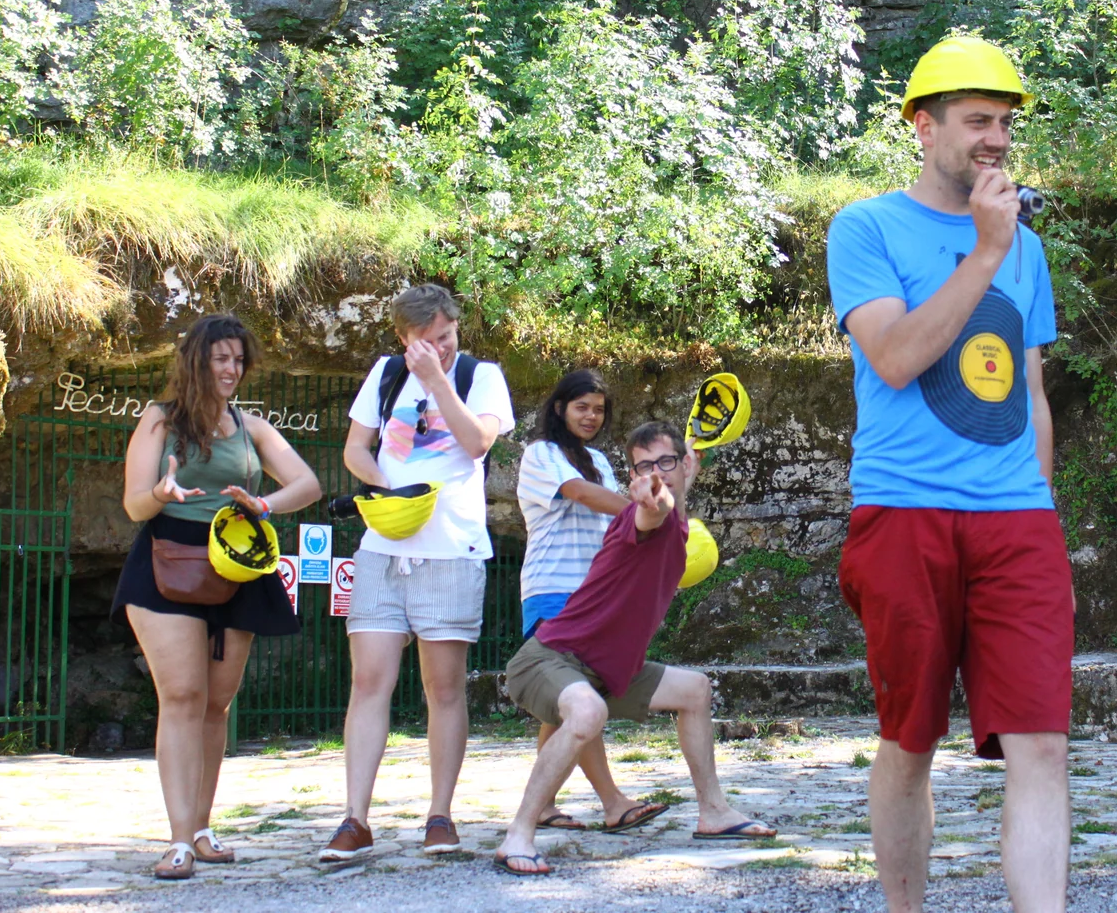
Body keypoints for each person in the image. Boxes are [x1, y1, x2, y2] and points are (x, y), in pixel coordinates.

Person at [825, 35, 1074, 913]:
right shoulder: (865, 228)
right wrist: (983, 251)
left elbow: (1031, 392)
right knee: (911, 738)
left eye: (1005, 123)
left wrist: (1038, 507)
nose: (996, 140)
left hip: (1016, 520)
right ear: (924, 128)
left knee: (1042, 744)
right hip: (904, 513)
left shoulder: (1027, 252)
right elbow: (893, 357)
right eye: (977, 122)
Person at [494, 421, 776, 877]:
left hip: (606, 671)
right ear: (631, 477)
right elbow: (654, 508)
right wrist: (654, 497)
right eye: (643, 467)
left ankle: (714, 812)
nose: (655, 474)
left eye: (665, 463)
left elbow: (674, 494)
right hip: (546, 659)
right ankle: (518, 836)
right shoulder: (640, 518)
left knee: (695, 690)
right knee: (587, 714)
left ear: (687, 464)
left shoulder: (681, 520)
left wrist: (678, 481)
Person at [115, 314, 323, 880]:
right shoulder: (158, 420)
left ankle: (203, 828)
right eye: (220, 358)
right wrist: (161, 492)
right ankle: (179, 839)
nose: (231, 369)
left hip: (238, 562)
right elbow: (134, 505)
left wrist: (265, 505)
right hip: (168, 561)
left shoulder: (252, 427)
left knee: (216, 703)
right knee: (182, 695)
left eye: (237, 359)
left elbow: (308, 483)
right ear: (196, 362)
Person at [320, 284, 515, 862]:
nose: (441, 348)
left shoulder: (481, 376)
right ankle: (355, 818)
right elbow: (356, 449)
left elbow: (479, 442)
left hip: (452, 551)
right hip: (383, 546)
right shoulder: (383, 374)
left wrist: (436, 381)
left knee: (443, 688)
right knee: (368, 683)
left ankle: (440, 815)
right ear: (404, 338)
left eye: (447, 337)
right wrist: (386, 488)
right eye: (428, 342)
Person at [516, 370, 664, 833]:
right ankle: (613, 801)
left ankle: (539, 805)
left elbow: (616, 531)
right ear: (560, 408)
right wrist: (642, 507)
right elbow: (580, 493)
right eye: (582, 406)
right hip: (553, 592)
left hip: (593, 595)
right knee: (580, 700)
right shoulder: (541, 453)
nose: (591, 416)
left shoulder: (598, 459)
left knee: (566, 706)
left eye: (599, 409)